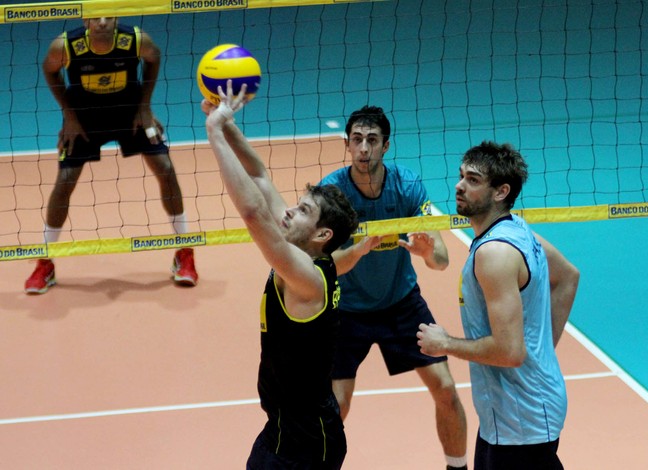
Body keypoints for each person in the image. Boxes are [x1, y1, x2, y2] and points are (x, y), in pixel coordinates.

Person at [204, 82, 359, 469]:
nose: (289, 211)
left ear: (323, 235)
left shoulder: (308, 279)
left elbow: (255, 214)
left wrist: (213, 136)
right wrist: (224, 124)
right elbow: (258, 176)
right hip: (281, 428)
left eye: (303, 210)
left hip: (307, 441)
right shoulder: (302, 249)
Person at [319, 105, 468, 470]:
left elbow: (443, 261)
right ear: (348, 144)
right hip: (347, 310)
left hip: (401, 304)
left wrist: (427, 250)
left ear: (386, 145)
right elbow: (323, 267)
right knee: (336, 406)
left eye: (372, 140)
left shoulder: (408, 186)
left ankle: (458, 467)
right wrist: (361, 248)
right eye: (357, 140)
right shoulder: (332, 193)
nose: (364, 148)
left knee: (446, 390)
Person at [417, 141, 580, 470]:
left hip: (522, 422)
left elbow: (510, 352)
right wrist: (541, 352)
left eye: (473, 180)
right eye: (461, 175)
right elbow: (567, 277)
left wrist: (445, 344)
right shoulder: (516, 228)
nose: (459, 185)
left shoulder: (495, 253)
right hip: (510, 415)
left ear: (501, 191)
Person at [25, 17, 198, 294]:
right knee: (65, 180)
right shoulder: (66, 45)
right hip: (85, 115)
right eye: (96, 17)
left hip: (129, 111)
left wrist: (145, 106)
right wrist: (69, 116)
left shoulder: (137, 40)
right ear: (86, 19)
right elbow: (50, 70)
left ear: (116, 18)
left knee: (165, 168)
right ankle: (44, 262)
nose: (102, 22)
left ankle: (185, 253)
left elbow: (154, 59)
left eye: (109, 16)